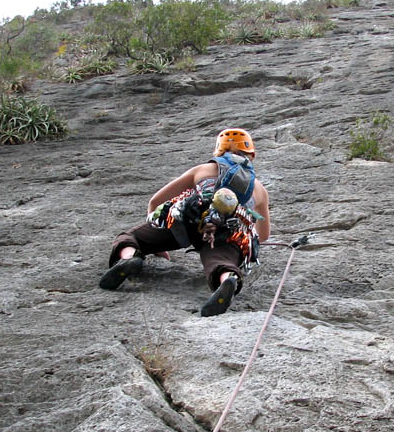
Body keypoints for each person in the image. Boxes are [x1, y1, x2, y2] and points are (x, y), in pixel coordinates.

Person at [99, 128, 271, 317]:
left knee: (130, 237)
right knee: (220, 260)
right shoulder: (259, 189)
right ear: (251, 154)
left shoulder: (203, 170)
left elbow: (155, 202)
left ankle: (129, 256)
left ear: (218, 151)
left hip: (188, 221)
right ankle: (226, 279)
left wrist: (157, 233)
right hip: (228, 231)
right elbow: (262, 236)